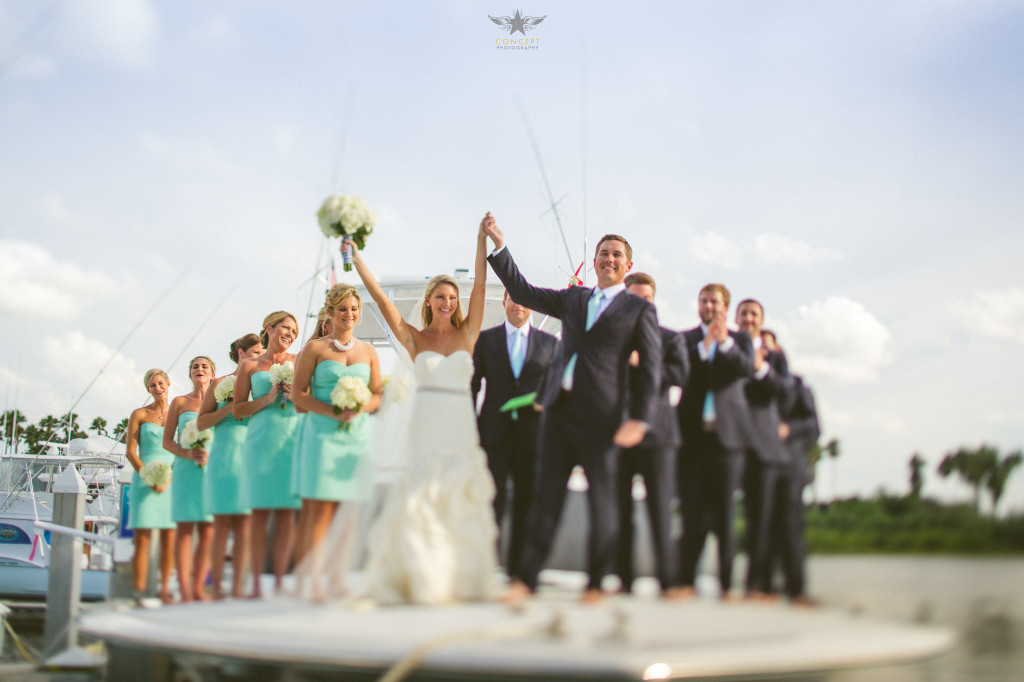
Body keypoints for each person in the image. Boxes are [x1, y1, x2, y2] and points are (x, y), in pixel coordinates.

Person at [483, 215, 662, 604]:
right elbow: (523, 290)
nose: (608, 259)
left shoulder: (638, 310)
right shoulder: (573, 298)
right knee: (545, 500)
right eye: (603, 254)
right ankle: (525, 581)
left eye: (616, 255)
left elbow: (651, 369)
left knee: (603, 502)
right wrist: (499, 245)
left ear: (627, 266)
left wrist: (639, 419)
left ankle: (597, 583)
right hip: (557, 411)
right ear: (594, 261)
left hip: (603, 416)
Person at [343, 217, 498, 605]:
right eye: (441, 296)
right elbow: (380, 299)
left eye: (452, 298)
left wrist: (480, 240)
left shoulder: (468, 333)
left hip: (461, 423)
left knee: (459, 493)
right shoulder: (414, 337)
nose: (448, 302)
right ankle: (421, 572)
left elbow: (480, 284)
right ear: (428, 301)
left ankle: (459, 573)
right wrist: (358, 261)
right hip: (426, 423)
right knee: (421, 495)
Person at [291, 283, 382, 601]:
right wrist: (332, 410)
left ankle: (339, 578)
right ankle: (312, 579)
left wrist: (359, 408)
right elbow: (297, 396)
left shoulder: (368, 352)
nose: (349, 314)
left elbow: (378, 395)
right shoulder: (314, 349)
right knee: (319, 510)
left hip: (355, 438)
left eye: (354, 309)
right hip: (321, 435)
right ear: (330, 312)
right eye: (342, 308)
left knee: (349, 512)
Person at [676, 284, 754, 600]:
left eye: (715, 302)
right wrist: (705, 347)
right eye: (704, 300)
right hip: (692, 439)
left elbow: (745, 369)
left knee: (724, 516)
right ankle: (685, 582)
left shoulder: (742, 340)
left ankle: (725, 585)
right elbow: (681, 374)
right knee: (691, 514)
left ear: (725, 307)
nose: (708, 306)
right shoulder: (685, 339)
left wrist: (723, 343)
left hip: (727, 442)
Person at [471, 290, 557, 577]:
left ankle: (520, 570)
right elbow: (472, 387)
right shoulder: (485, 340)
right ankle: (485, 567)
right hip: (493, 434)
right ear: (504, 302)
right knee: (491, 502)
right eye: (513, 298)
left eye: (524, 299)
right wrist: (470, 430)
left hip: (534, 436)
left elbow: (557, 388)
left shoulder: (550, 344)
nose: (518, 303)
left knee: (526, 501)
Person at [614, 273, 689, 597]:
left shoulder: (671, 339)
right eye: (634, 298)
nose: (641, 304)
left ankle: (668, 583)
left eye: (646, 299)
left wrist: (643, 361)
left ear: (653, 302)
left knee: (661, 512)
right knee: (620, 513)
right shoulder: (611, 337)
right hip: (618, 435)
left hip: (659, 437)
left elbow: (680, 375)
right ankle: (623, 581)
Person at [234, 312, 302, 597]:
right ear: (269, 328)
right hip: (261, 440)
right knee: (259, 513)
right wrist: (267, 399)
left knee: (287, 514)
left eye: (295, 331)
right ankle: (257, 582)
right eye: (286, 328)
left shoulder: (300, 361)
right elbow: (238, 410)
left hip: (292, 438)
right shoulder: (249, 366)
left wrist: (294, 393)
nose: (290, 334)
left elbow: (310, 397)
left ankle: (280, 582)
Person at [734, 299, 793, 600]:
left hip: (762, 445)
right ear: (735, 317)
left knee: (761, 519)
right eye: (743, 313)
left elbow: (786, 390)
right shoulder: (724, 345)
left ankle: (758, 586)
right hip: (726, 440)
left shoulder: (775, 356)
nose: (748, 318)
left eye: (753, 314)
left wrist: (760, 369)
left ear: (761, 320)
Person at [197, 334, 263, 599]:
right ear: (240, 353)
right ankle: (215, 587)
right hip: (224, 456)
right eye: (255, 352)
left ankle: (239, 586)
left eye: (262, 352)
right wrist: (227, 410)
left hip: (250, 454)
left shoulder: (260, 384)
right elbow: (201, 423)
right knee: (222, 522)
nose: (259, 357)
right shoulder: (219, 383)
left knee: (246, 524)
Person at [163, 356, 216, 602]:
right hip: (185, 469)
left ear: (213, 372)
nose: (200, 370)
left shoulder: (221, 399)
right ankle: (184, 589)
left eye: (204, 366)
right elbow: (167, 441)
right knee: (184, 529)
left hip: (211, 468)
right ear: (190, 373)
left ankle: (198, 587)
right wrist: (185, 453)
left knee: (208, 530)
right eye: (195, 366)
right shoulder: (179, 402)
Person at [767, 370, 820, 606]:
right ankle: (767, 586)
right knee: (764, 526)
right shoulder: (753, 381)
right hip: (764, 465)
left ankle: (796, 587)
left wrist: (789, 429)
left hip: (791, 466)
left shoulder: (798, 385)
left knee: (790, 525)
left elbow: (814, 427)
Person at [124, 369, 177, 604]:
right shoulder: (139, 414)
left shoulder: (178, 412)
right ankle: (138, 592)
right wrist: (148, 477)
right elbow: (130, 452)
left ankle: (164, 590)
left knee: (169, 537)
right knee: (142, 538)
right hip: (145, 479)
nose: (158, 388)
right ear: (148, 389)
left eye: (160, 383)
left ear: (168, 384)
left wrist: (171, 477)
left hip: (172, 479)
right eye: (152, 385)